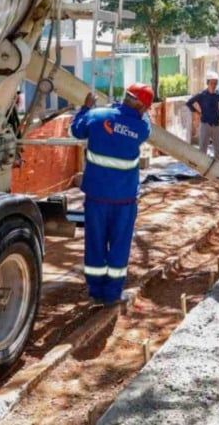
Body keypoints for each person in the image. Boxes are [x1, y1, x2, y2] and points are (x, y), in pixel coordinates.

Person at [69, 83, 154, 306]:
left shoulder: (97, 116)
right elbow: (147, 124)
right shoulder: (141, 128)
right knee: (119, 245)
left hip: (96, 196)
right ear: (141, 106)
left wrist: (85, 109)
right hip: (124, 199)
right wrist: (141, 112)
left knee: (95, 242)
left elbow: (75, 131)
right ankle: (113, 293)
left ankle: (96, 291)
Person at [186, 71, 219, 160]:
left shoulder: (218, 95)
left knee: (218, 151)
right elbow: (189, 103)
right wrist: (197, 112)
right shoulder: (202, 95)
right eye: (212, 83)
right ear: (208, 83)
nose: (214, 85)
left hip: (216, 125)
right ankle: (202, 168)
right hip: (205, 125)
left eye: (215, 83)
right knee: (202, 150)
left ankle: (218, 168)